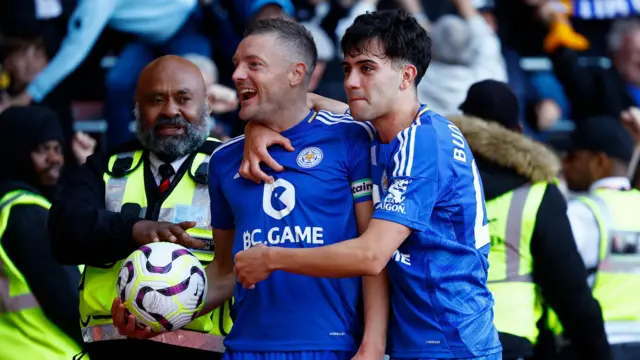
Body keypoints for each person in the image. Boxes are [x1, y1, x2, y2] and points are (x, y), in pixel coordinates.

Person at [234, 10, 502, 360]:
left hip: (450, 341)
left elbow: (372, 254)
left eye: (367, 68)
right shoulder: (379, 128)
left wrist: (271, 258)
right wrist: (257, 127)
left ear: (406, 76)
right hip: (421, 338)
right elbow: (310, 105)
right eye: (347, 69)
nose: (351, 82)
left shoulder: (422, 144)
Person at [48, 55, 232, 360]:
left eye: (183, 99)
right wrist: (133, 230)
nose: (170, 110)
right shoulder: (105, 168)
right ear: (137, 108)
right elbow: (63, 230)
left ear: (207, 105)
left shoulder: (231, 167)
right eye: (156, 99)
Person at [449, 80, 610, 360]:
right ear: (519, 131)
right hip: (508, 338)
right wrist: (597, 351)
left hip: (433, 334)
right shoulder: (537, 193)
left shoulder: (430, 178)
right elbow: (568, 290)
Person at [0, 105, 85, 359]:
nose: (54, 159)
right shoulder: (26, 212)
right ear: (15, 152)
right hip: (49, 351)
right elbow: (67, 302)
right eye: (41, 149)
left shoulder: (9, 205)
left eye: (58, 149)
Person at [562, 116, 640, 360]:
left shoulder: (581, 213)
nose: (565, 164)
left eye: (573, 156)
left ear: (599, 161)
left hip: (594, 344)